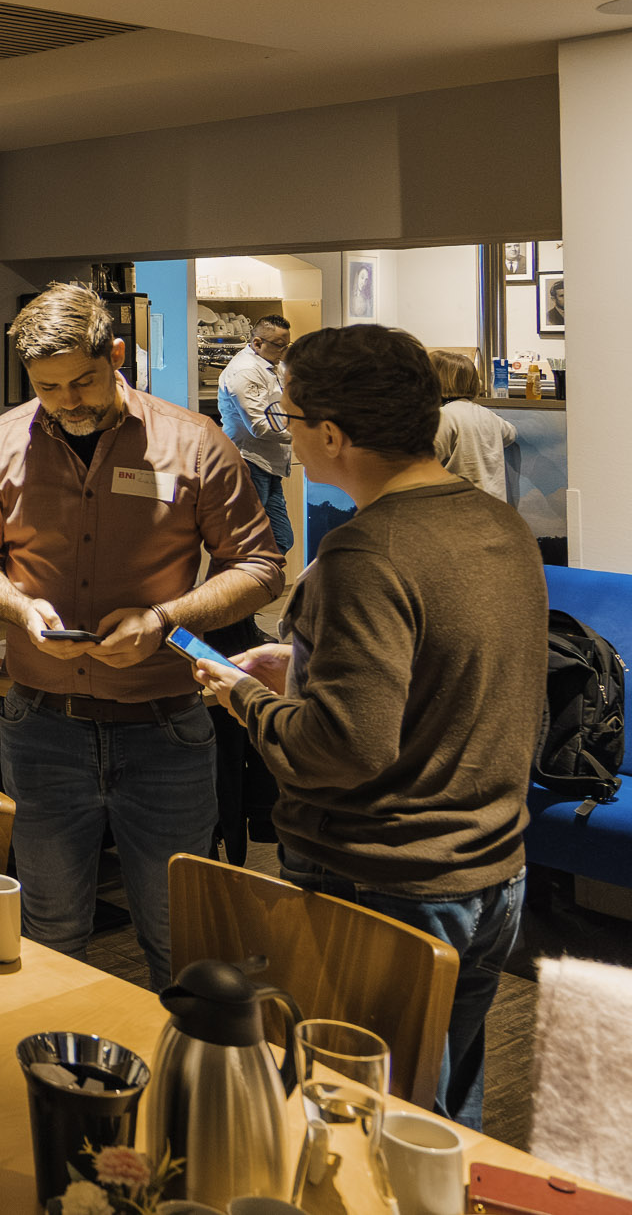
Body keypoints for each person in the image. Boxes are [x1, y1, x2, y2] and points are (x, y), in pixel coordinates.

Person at [189, 325, 546, 1128]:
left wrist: (243, 697)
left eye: (291, 418)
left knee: (357, 1125)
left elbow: (340, 750)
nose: (287, 435)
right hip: (493, 873)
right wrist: (303, 666)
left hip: (383, 881)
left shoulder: (361, 554)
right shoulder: (501, 526)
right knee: (440, 1123)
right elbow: (456, 678)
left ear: (332, 433)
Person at [0, 282, 284, 986]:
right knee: (46, 936)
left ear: (117, 355)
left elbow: (260, 567)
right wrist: (19, 607)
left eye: (84, 381)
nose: (68, 402)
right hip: (41, 725)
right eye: (48, 388)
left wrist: (164, 621)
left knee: (178, 942)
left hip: (165, 731)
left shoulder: (193, 442)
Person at [217, 314, 295, 553]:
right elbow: (260, 425)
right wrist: (303, 434)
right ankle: (239, 578)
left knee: (281, 540)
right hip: (249, 463)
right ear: (258, 343)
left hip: (268, 465)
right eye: (279, 345)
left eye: (287, 345)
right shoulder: (245, 371)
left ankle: (262, 577)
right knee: (247, 542)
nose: (284, 352)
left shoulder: (273, 365)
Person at [430, 348, 517, 501]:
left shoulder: (444, 416)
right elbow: (511, 434)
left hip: (460, 506)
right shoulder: (487, 414)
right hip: (495, 505)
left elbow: (426, 458)